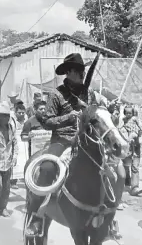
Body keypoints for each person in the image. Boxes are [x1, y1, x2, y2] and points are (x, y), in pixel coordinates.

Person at [25, 53, 91, 236]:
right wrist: (69, 117)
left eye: (83, 70)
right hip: (62, 140)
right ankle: (36, 216)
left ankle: (107, 215)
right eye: (78, 71)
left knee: (107, 166)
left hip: (85, 140)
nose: (82, 74)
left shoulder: (88, 93)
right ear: (68, 72)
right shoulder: (56, 94)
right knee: (46, 168)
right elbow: (47, 121)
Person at [118, 105, 142, 199]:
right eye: (127, 113)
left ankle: (135, 187)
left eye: (130, 113)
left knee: (135, 167)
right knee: (126, 166)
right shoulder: (123, 121)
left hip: (136, 146)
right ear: (124, 113)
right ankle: (127, 182)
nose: (129, 115)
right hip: (127, 147)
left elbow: (141, 128)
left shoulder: (136, 120)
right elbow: (119, 129)